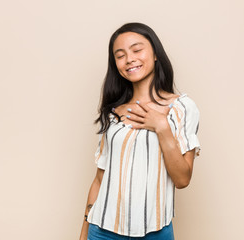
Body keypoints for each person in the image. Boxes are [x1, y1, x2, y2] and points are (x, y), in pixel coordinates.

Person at [79, 22, 201, 240]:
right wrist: (84, 231)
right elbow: (99, 179)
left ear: (155, 53)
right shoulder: (112, 113)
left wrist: (162, 127)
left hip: (155, 232)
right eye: (120, 55)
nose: (129, 59)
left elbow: (183, 179)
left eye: (137, 50)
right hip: (101, 231)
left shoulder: (182, 108)